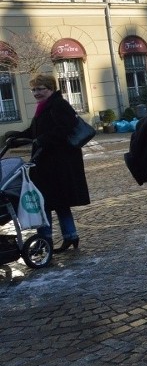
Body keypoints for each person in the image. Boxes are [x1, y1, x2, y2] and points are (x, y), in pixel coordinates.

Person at [12, 74, 90, 253]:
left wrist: (43, 139)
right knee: (57, 202)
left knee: (47, 202)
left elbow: (64, 129)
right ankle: (70, 235)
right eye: (34, 89)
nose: (36, 93)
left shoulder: (58, 105)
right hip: (48, 163)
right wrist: (17, 137)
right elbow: (35, 130)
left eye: (40, 89)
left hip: (59, 163)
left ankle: (45, 240)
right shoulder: (44, 106)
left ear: (50, 88)